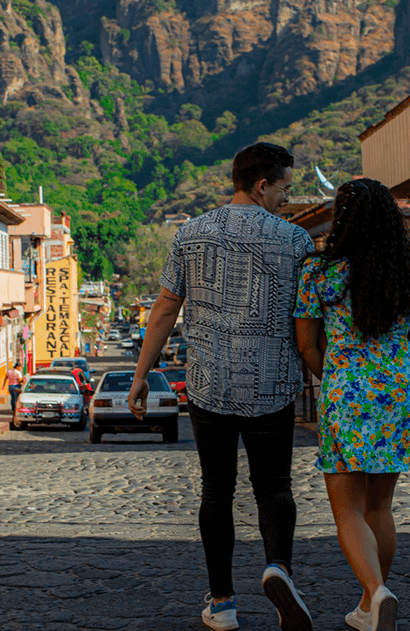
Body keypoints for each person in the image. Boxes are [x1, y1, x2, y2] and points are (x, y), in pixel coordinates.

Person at [128, 142, 314, 631]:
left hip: (210, 387)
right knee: (274, 488)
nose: (286, 200)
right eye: (283, 190)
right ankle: (278, 570)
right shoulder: (296, 242)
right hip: (272, 387)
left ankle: (223, 603)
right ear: (261, 185)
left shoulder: (191, 233)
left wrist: (143, 374)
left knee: (216, 491)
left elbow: (166, 308)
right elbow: (305, 320)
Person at [293, 179, 410, 631]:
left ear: (342, 217)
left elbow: (306, 346)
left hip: (345, 394)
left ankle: (376, 593)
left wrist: (337, 380)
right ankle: (368, 605)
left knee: (347, 510)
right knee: (381, 506)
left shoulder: (319, 271)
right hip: (398, 395)